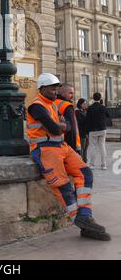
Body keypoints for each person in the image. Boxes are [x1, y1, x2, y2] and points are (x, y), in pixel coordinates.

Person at [27, 73, 110, 241]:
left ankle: (85, 215)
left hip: (61, 146)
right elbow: (57, 128)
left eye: (57, 88)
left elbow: (69, 127)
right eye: (53, 89)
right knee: (62, 184)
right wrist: (61, 125)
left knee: (86, 173)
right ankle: (80, 220)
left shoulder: (53, 105)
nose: (56, 91)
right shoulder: (36, 106)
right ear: (42, 88)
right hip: (45, 149)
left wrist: (61, 126)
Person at [54, 83, 81, 154]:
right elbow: (72, 129)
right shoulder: (67, 106)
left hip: (56, 143)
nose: (72, 96)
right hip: (68, 144)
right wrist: (74, 148)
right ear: (62, 93)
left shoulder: (52, 103)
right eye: (70, 93)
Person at [86, 93, 110, 170]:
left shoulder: (90, 108)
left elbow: (88, 120)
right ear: (100, 98)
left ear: (93, 98)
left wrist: (87, 131)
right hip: (102, 129)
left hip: (93, 130)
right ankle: (103, 165)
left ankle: (92, 165)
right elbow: (108, 115)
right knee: (102, 146)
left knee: (92, 147)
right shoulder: (103, 107)